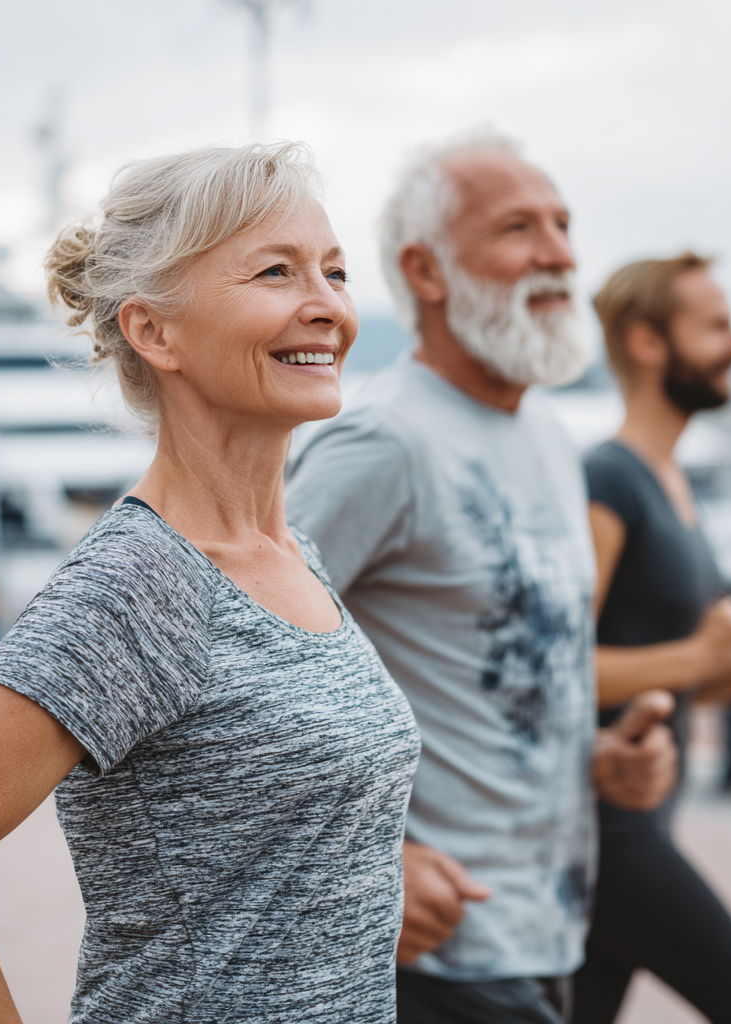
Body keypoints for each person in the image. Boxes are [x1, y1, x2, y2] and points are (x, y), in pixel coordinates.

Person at [0, 142, 421, 1024]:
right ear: (154, 332)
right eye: (277, 271)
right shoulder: (143, 581)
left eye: (335, 272)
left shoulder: (291, 550)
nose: (327, 306)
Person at [286, 133, 677, 1024]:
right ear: (425, 271)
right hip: (428, 951)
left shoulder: (546, 437)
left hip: (544, 928)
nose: (560, 254)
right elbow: (240, 676)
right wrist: (372, 865)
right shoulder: (382, 443)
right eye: (518, 229)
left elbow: (499, 676)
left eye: (564, 225)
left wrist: (599, 763)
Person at [570, 254, 731, 1024]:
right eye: (715, 327)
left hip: (646, 822)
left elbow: (697, 687)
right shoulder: (608, 481)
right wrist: (698, 655)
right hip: (608, 832)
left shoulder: (672, 483)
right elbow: (556, 669)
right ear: (647, 343)